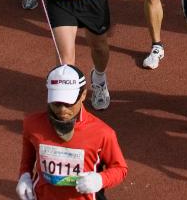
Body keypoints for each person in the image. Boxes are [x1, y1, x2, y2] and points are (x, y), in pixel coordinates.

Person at [18, 64, 128, 200]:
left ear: (83, 95)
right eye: (56, 103)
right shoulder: (32, 124)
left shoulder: (103, 133)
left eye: (69, 103)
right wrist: (24, 176)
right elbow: (27, 159)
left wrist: (100, 179)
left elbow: (120, 169)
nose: (62, 110)